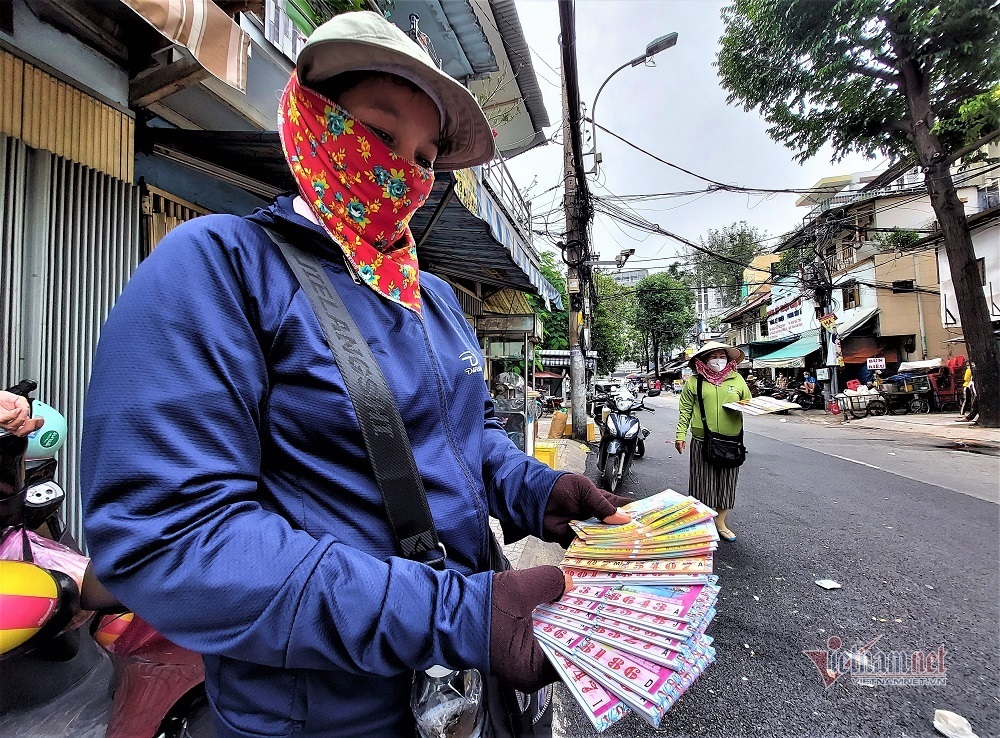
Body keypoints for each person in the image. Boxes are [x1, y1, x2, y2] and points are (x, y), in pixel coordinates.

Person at [79, 12, 629, 738]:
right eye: (380, 132)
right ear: (312, 116)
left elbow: (470, 442)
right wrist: (460, 613)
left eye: (426, 156)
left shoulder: (431, 297)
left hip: (469, 695)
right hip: (318, 717)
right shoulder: (219, 267)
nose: (406, 169)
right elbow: (173, 538)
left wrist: (543, 491)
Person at [673, 342, 751, 542]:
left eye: (722, 356)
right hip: (702, 439)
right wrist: (681, 435)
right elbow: (685, 411)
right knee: (701, 483)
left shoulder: (737, 379)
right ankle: (701, 522)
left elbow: (748, 402)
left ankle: (720, 523)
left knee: (727, 483)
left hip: (731, 440)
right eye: (713, 356)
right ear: (704, 360)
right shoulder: (694, 382)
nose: (719, 360)